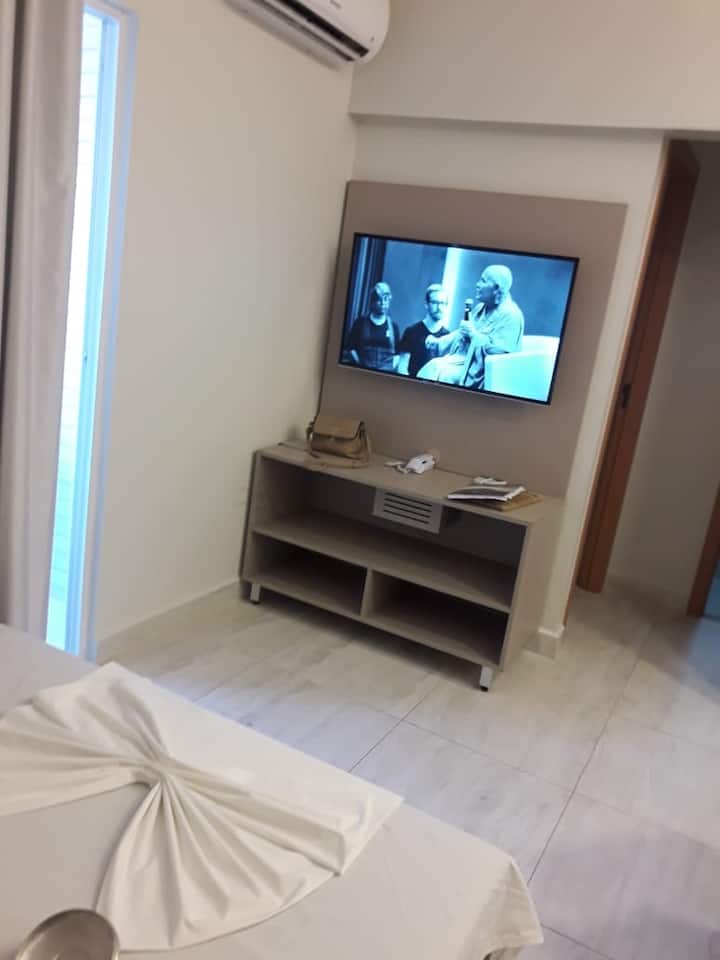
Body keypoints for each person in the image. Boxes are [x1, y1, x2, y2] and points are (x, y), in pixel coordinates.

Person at [417, 265, 524, 388]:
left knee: (445, 375)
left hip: (482, 370)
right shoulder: (480, 308)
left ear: (496, 288)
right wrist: (439, 342)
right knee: (432, 366)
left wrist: (473, 334)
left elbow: (503, 355)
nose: (477, 285)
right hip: (465, 359)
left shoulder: (512, 316)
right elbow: (462, 333)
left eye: (483, 281)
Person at [344, 281, 401, 372]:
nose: (383, 303)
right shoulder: (360, 323)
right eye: (379, 300)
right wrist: (360, 364)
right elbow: (351, 347)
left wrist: (390, 367)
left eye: (386, 300)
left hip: (385, 373)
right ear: (372, 302)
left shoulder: (394, 327)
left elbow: (398, 353)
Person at [397, 284, 451, 376]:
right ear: (426, 304)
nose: (439, 307)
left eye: (442, 303)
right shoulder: (412, 332)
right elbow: (402, 367)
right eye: (435, 302)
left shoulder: (448, 337)